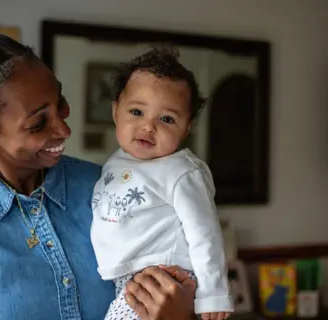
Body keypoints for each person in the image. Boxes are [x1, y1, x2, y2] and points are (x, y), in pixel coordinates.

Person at [0, 34, 197, 320]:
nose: (63, 129)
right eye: (38, 122)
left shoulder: (105, 187)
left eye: (59, 101)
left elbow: (167, 278)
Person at [91, 48, 233, 320]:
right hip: (130, 278)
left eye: (166, 119)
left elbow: (205, 234)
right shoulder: (116, 162)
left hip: (165, 275)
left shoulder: (181, 171)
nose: (148, 127)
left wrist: (213, 294)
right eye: (136, 111)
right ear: (114, 110)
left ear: (187, 127)